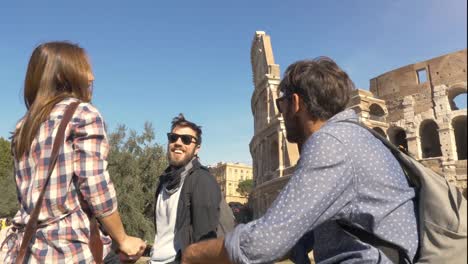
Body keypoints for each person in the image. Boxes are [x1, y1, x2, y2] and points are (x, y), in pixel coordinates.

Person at [182, 57, 418, 263]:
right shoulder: (356, 138)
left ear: (295, 103)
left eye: (280, 104)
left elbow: (263, 243)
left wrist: (193, 254)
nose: (280, 113)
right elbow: (297, 234)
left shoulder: (331, 144)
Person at [3, 42, 146, 263]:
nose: (92, 77)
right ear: (65, 74)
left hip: (28, 249)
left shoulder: (25, 125)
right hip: (69, 249)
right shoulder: (82, 114)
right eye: (85, 68)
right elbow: (94, 184)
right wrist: (122, 238)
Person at [150, 114, 221, 264]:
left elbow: (205, 243)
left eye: (186, 139)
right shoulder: (164, 181)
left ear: (197, 149)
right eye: (173, 137)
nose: (178, 143)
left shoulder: (202, 180)